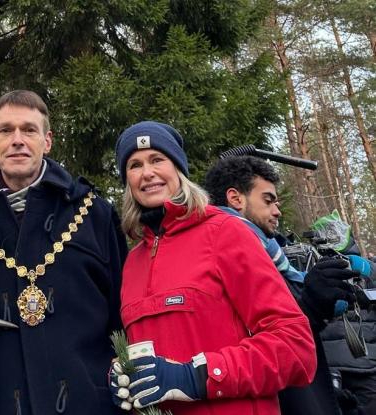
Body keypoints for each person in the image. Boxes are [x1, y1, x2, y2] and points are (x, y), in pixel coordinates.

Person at [109, 121, 316, 414]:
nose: (147, 173)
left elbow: (296, 348)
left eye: (158, 159)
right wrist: (124, 378)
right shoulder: (133, 262)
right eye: (134, 164)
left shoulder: (225, 232)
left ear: (179, 169)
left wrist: (199, 376)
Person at [0, 90, 128, 414]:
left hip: (90, 403)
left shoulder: (95, 215)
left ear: (47, 141)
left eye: (29, 130)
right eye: (6, 130)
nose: (18, 140)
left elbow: (123, 318)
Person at [203, 155, 362, 415]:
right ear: (236, 198)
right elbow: (253, 342)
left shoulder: (272, 251)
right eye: (267, 200)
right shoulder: (220, 252)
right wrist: (309, 305)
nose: (277, 211)